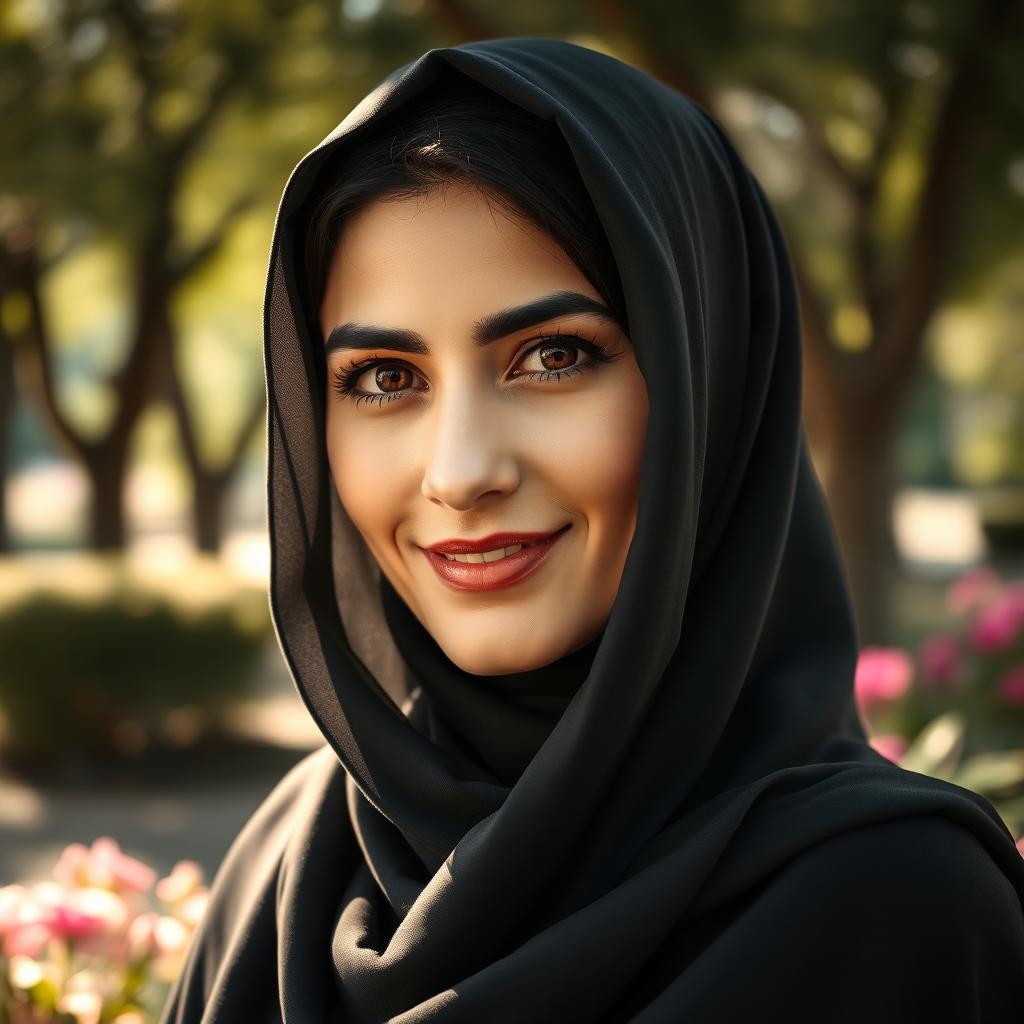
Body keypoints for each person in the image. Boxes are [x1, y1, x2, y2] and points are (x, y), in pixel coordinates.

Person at [160, 37, 1024, 1023]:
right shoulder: (292, 868)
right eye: (385, 378)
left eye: (553, 357)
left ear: (710, 384)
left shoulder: (898, 906)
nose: (460, 474)